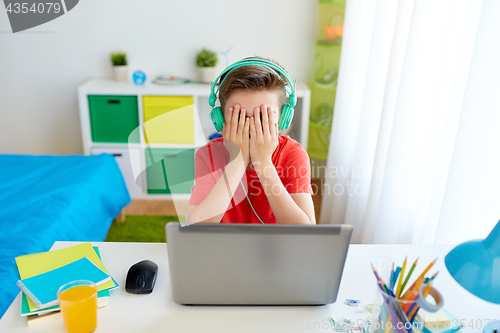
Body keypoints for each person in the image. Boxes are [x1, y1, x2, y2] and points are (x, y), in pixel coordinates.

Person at [185, 57, 315, 224]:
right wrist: (238, 162)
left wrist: (263, 162)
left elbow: (305, 231)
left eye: (263, 116)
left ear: (283, 119)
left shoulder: (292, 154)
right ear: (220, 119)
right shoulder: (208, 155)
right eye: (239, 116)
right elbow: (195, 227)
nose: (251, 126)